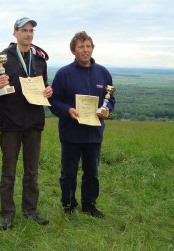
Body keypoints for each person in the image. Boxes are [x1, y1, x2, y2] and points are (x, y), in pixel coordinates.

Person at [0, 17, 53, 230]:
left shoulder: (40, 60)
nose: (29, 34)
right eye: (24, 30)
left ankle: (31, 210)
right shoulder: (1, 59)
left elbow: (44, 86)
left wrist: (48, 91)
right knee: (8, 172)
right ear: (15, 33)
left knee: (32, 171)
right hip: (11, 124)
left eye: (31, 31)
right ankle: (7, 214)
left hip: (34, 123)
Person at [49, 31, 115, 218]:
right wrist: (67, 110)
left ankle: (89, 204)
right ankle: (68, 204)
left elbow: (110, 99)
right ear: (73, 50)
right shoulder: (64, 73)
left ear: (92, 48)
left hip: (94, 132)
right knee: (68, 172)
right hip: (71, 132)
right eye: (81, 46)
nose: (85, 50)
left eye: (88, 46)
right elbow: (54, 101)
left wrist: (107, 109)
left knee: (92, 171)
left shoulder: (103, 73)